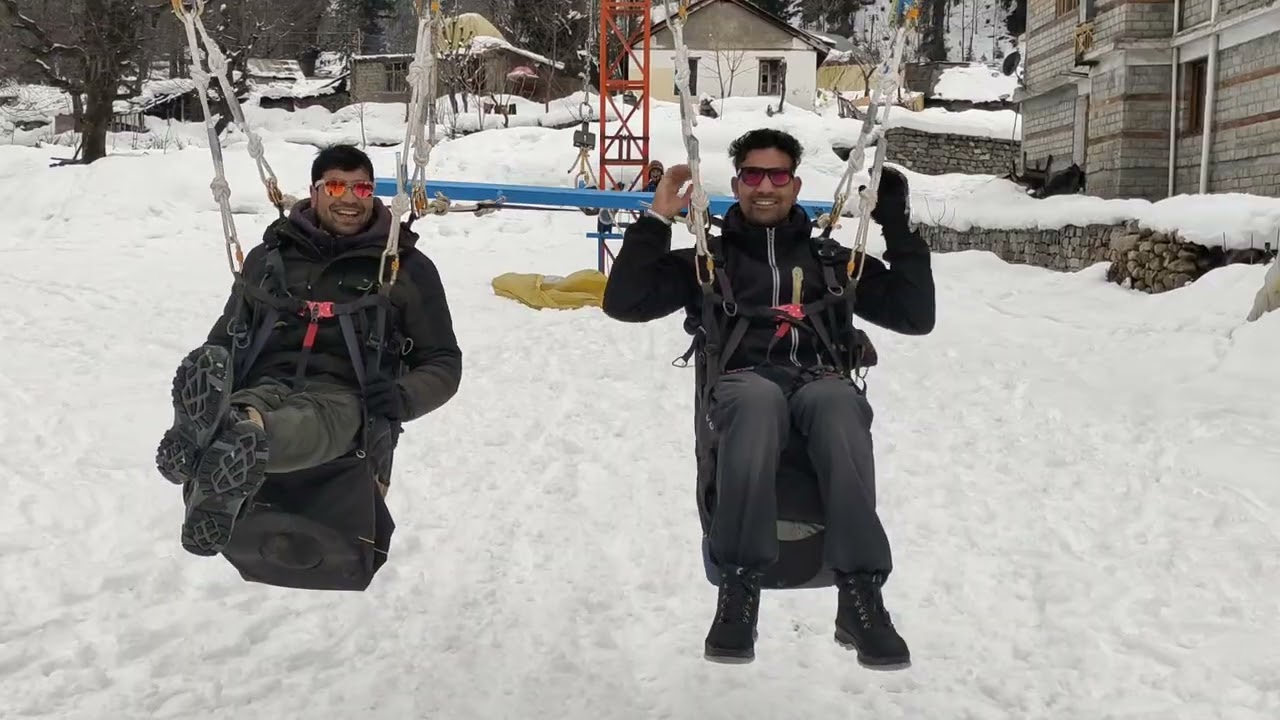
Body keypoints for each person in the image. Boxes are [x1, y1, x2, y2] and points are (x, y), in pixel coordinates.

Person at [601, 129, 935, 666]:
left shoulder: (830, 262)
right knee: (758, 400)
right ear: (736, 183)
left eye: (777, 176)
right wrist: (656, 220)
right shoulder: (711, 261)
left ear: (795, 185)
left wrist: (896, 226)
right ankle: (739, 589)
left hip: (817, 382)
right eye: (752, 175)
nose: (764, 187)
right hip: (741, 385)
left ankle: (861, 597)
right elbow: (625, 303)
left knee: (839, 404)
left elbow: (916, 317)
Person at [156, 144, 463, 558]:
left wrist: (402, 397)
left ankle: (223, 448)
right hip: (265, 381)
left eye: (362, 187)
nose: (350, 199)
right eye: (336, 187)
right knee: (246, 408)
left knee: (299, 423)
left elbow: (444, 362)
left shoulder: (405, 268)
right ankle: (223, 440)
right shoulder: (269, 259)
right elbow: (225, 338)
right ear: (314, 192)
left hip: (346, 400)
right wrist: (215, 367)